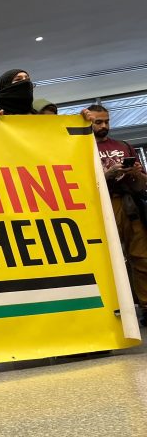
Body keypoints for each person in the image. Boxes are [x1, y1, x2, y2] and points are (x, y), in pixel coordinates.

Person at [86, 104, 147, 321]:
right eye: (98, 122)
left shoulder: (123, 146)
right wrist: (108, 174)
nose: (104, 126)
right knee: (107, 260)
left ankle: (146, 306)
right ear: (88, 121)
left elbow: (142, 186)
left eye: (107, 121)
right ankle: (113, 309)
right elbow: (80, 184)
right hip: (100, 207)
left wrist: (137, 174)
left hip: (129, 205)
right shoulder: (81, 148)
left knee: (142, 257)